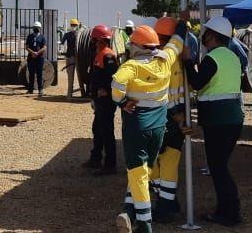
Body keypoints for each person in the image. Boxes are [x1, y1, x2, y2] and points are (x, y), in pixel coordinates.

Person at [112, 23, 186, 233]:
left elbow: (116, 84)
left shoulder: (131, 66)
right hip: (159, 128)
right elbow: (176, 43)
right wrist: (181, 24)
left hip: (137, 128)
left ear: (137, 47)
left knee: (138, 173)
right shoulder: (165, 60)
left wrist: (122, 102)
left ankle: (144, 225)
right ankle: (129, 210)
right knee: (144, 172)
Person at [183, 16, 244, 227]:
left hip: (219, 120)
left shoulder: (213, 58)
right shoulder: (232, 57)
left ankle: (231, 213)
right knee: (220, 166)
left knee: (219, 169)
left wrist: (187, 61)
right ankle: (224, 210)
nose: (203, 36)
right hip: (232, 119)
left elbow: (197, 83)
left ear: (213, 36)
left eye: (206, 32)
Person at [150, 16, 198, 222]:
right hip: (175, 115)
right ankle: (167, 201)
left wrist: (179, 118)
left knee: (161, 162)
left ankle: (166, 206)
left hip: (165, 117)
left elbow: (167, 93)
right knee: (166, 161)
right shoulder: (177, 58)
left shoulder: (162, 59)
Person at [82, 24, 119, 174]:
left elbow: (115, 78)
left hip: (106, 101)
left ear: (101, 40)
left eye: (94, 40)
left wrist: (107, 91)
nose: (92, 42)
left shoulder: (108, 56)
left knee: (106, 131)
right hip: (99, 100)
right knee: (97, 129)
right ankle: (95, 159)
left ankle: (110, 165)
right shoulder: (99, 54)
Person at [25, 21, 47, 96]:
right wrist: (32, 53)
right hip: (31, 58)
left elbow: (44, 47)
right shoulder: (29, 36)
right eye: (35, 27)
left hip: (39, 58)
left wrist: (37, 53)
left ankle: (40, 90)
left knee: (39, 74)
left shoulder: (42, 37)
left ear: (40, 28)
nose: (36, 28)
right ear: (33, 28)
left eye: (37, 27)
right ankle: (30, 89)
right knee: (31, 74)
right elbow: (27, 47)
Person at [62, 17, 80, 97]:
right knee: (71, 74)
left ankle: (70, 93)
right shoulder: (76, 35)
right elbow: (62, 42)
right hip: (71, 56)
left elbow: (62, 42)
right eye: (73, 25)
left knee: (71, 75)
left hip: (71, 56)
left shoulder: (73, 35)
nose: (73, 26)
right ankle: (71, 91)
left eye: (74, 25)